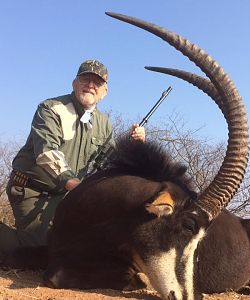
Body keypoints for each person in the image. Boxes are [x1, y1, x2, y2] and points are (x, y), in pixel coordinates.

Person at [0, 59, 145, 258]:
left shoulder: (104, 124)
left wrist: (135, 147)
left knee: (86, 243)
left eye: (98, 83)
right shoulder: (51, 108)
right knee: (46, 250)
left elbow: (112, 164)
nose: (91, 85)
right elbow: (46, 153)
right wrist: (75, 185)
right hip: (32, 191)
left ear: (104, 92)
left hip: (67, 196)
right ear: (74, 83)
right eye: (86, 79)